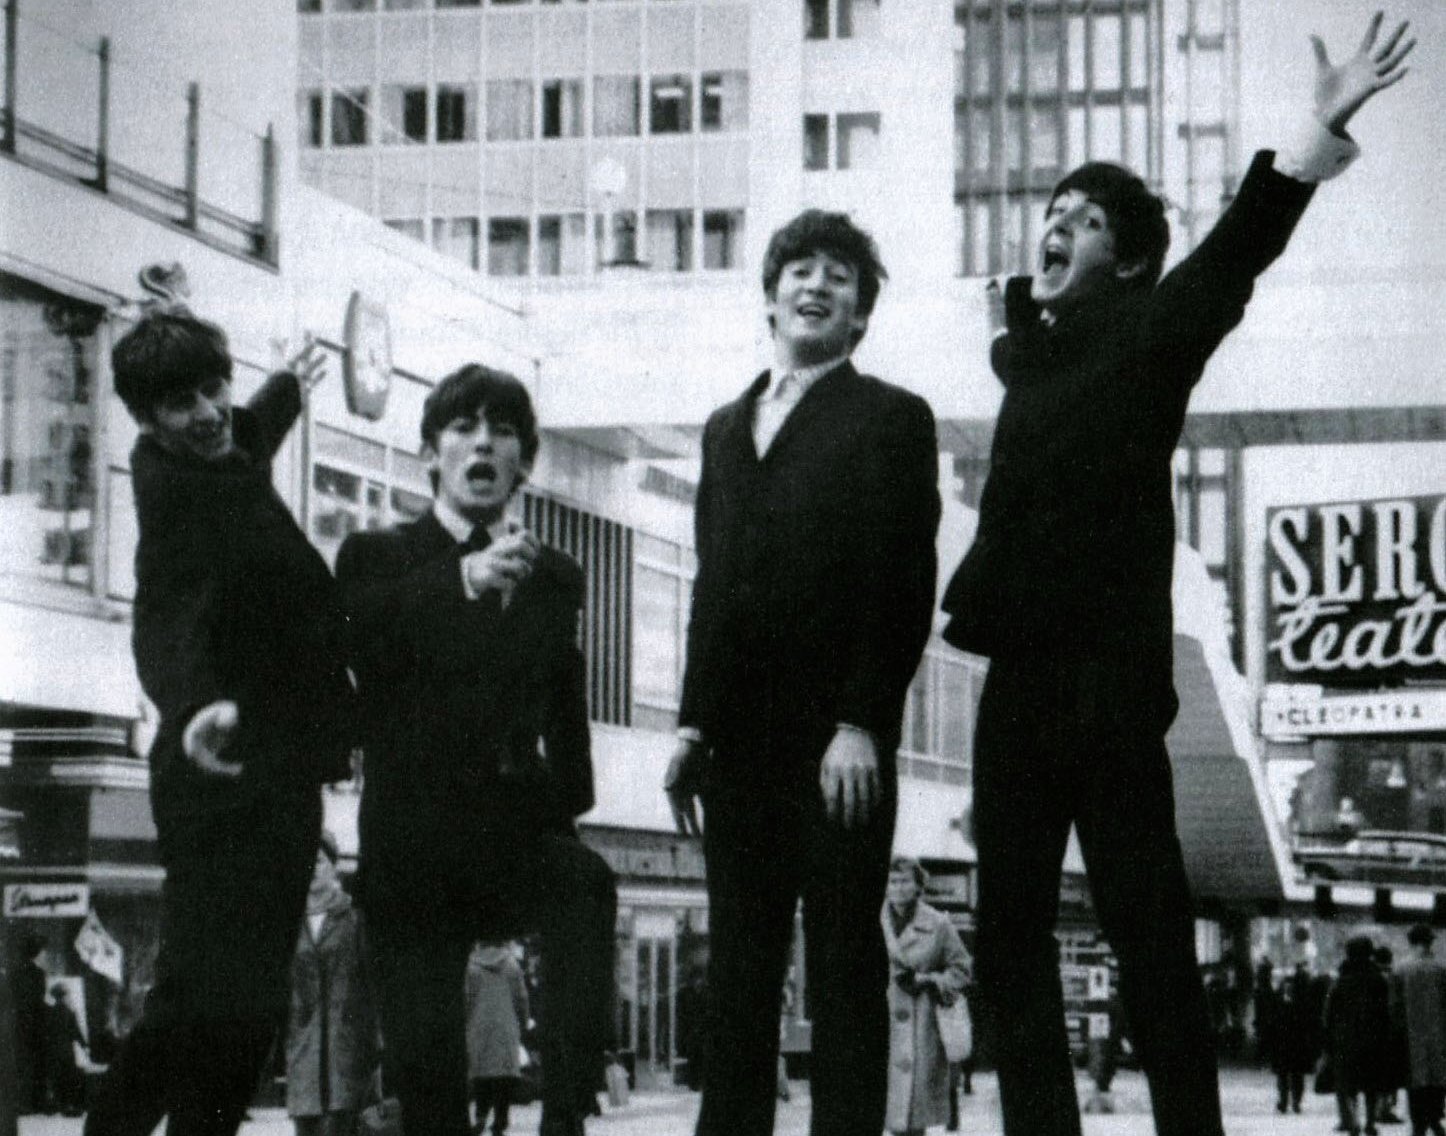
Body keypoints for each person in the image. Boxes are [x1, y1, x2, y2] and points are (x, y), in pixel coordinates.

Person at [936, 15, 1415, 1136]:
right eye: (1052, 212)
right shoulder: (1031, 360)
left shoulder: (1149, 336)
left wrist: (1313, 131)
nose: (1057, 226)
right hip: (1017, 692)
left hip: (1105, 693)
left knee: (1148, 934)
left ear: (1134, 258)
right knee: (1007, 934)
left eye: (1087, 219)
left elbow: (1238, 250)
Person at [664, 209, 941, 1136]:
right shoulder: (721, 427)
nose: (817, 285)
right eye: (801, 269)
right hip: (736, 747)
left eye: (840, 276)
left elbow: (903, 582)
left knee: (843, 967)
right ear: (771, 293)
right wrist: (692, 727)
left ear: (860, 314)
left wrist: (861, 720)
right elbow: (713, 583)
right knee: (739, 969)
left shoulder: (892, 419)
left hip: (838, 750)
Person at [86, 309, 355, 1136]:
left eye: (214, 388)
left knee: (244, 999)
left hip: (275, 765)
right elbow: (161, 619)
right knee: (203, 992)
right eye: (180, 404)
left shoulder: (219, 448)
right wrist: (195, 702)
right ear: (144, 418)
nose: (205, 412)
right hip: (221, 774)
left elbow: (248, 426)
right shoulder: (177, 498)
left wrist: (285, 390)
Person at [336, 363, 616, 1136]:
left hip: (511, 833)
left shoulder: (555, 574)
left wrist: (566, 811)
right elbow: (363, 641)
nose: (482, 443)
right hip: (413, 840)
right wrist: (460, 579)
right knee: (428, 1080)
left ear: (524, 461)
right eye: (463, 428)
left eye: (502, 431)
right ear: (431, 453)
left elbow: (567, 701)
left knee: (586, 883)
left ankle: (568, 1110)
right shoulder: (377, 555)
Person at [285, 834, 379, 1136]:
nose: (311, 870)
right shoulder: (289, 924)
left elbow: (372, 983)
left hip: (347, 1051)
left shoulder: (354, 919)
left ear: (334, 867)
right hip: (304, 1054)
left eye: (319, 862)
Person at [880, 857, 970, 1136]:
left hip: (922, 1030)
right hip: (880, 1025)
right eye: (892, 881)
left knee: (912, 1120)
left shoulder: (938, 923)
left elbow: (962, 969)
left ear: (919, 885)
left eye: (905, 881)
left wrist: (930, 981)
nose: (898, 888)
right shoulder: (872, 919)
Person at [1326, 936, 1392, 1136]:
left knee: (1349, 1085)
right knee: (1372, 1085)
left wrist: (1329, 1038)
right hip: (1373, 1039)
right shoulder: (1378, 979)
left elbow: (1328, 1012)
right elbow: (1386, 1011)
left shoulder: (1341, 979)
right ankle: (1370, 1122)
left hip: (1346, 1040)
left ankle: (1353, 1121)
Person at [465, 941, 530, 1136]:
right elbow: (521, 997)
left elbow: (466, 998)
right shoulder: (511, 964)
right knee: (504, 1076)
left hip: (478, 1026)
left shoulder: (471, 966)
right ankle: (500, 1120)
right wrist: (524, 1021)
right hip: (506, 1025)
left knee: (481, 1074)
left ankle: (481, 1114)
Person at [1391, 924, 1446, 1136]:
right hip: (1439, 1034)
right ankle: (1435, 1118)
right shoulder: (1441, 969)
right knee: (1438, 1078)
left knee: (1415, 1081)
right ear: (1430, 942)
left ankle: (1418, 1123)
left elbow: (1394, 1006)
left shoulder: (1400, 969)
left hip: (1410, 1035)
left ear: (1411, 942)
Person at [14, 933, 48, 1114]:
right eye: (43, 952)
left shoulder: (15, 973)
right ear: (37, 953)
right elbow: (38, 1000)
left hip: (19, 1025)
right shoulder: (38, 974)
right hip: (35, 1024)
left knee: (22, 1064)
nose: (45, 955)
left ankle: (22, 1104)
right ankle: (36, 1103)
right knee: (36, 1064)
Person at [45, 983, 89, 1117]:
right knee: (68, 1078)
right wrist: (85, 1045)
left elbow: (46, 1033)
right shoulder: (70, 1013)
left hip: (53, 1051)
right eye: (67, 995)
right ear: (63, 997)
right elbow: (75, 1031)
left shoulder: (50, 1013)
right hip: (67, 1052)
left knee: (56, 1078)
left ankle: (56, 1105)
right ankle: (68, 1106)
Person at [1376, 945, 1408, 1126]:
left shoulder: (1373, 977)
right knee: (1390, 1074)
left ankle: (1380, 1108)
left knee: (1380, 1073)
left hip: (1376, 1032)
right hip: (1392, 1032)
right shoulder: (1394, 977)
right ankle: (1386, 1108)